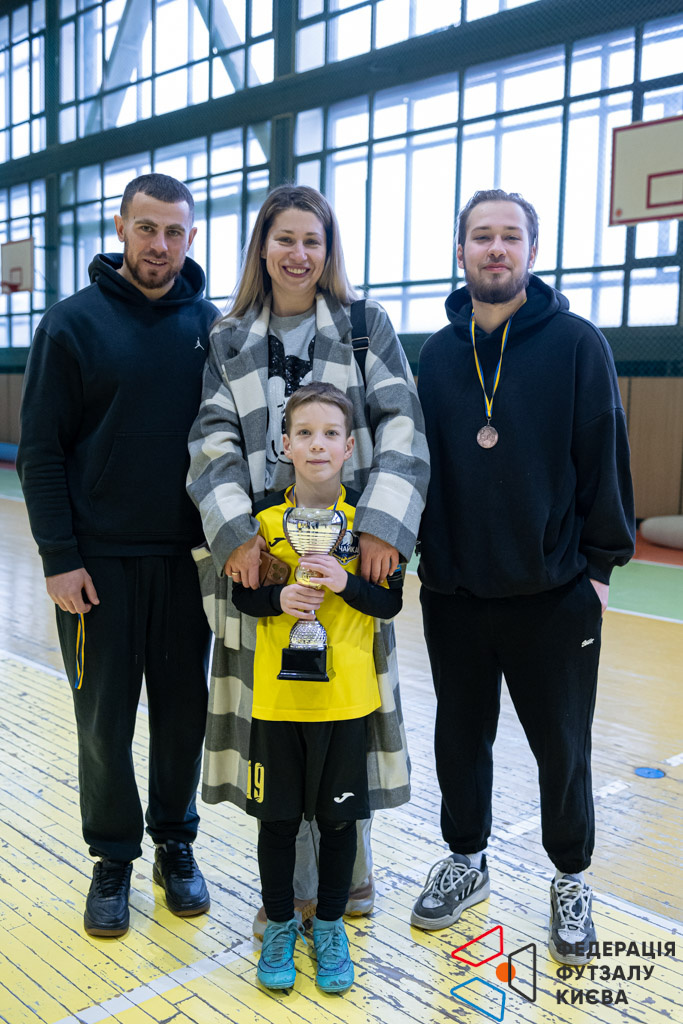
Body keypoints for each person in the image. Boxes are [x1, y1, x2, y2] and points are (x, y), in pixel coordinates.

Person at [187, 184, 429, 935]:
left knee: (349, 709)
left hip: (346, 550)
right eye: (284, 238)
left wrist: (383, 527)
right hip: (267, 555)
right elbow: (212, 445)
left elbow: (402, 424)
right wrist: (237, 536)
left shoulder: (364, 325)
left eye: (312, 240)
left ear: (329, 251)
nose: (298, 254)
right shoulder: (227, 337)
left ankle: (347, 883)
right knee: (281, 719)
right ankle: (286, 893)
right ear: (262, 247)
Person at [412, 189, 635, 966]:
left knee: (561, 749)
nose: (495, 248)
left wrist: (597, 569)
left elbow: (603, 454)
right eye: (481, 236)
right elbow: (420, 467)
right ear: (461, 251)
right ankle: (465, 861)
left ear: (531, 253)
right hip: (454, 592)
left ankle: (570, 877)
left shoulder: (575, 343)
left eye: (510, 236)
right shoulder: (437, 354)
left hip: (553, 594)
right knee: (457, 738)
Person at [18, 173, 216, 937]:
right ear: (121, 227)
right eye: (146, 228)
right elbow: (41, 451)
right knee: (102, 722)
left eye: (174, 231)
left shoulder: (212, 327)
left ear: (190, 237)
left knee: (182, 716)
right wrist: (58, 556)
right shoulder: (71, 325)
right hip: (96, 567)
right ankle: (112, 855)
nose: (160, 245)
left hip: (186, 562)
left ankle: (174, 843)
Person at [232, 381, 404, 991]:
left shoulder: (370, 527)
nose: (317, 445)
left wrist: (344, 583)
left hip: (345, 703)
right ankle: (281, 924)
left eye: (331, 433)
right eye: (304, 433)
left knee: (338, 824)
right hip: (278, 703)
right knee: (278, 823)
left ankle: (329, 925)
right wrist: (279, 598)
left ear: (349, 446)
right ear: (284, 444)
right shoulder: (262, 523)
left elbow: (389, 602)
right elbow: (243, 596)